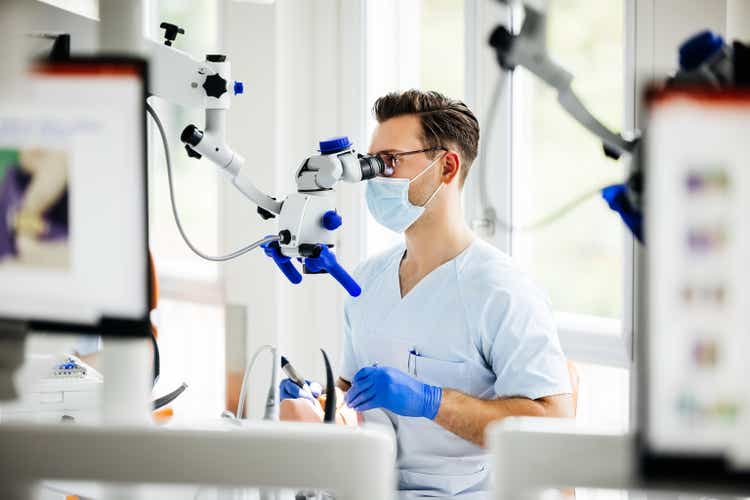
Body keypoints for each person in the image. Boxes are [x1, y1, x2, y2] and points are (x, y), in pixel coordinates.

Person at [280, 89, 573, 498]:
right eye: (370, 165)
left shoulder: (501, 292)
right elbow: (350, 396)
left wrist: (431, 401)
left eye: (390, 162)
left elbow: (552, 425)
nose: (374, 177)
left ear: (447, 167)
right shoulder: (366, 281)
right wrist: (319, 403)